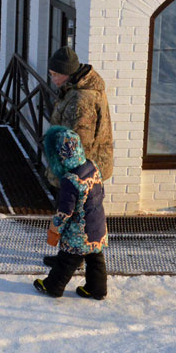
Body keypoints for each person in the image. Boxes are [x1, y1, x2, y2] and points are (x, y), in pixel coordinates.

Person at [33, 125, 108, 301]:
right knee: (95, 258)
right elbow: (101, 193)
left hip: (78, 233)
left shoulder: (70, 180)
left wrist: (55, 229)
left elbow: (65, 212)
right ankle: (97, 289)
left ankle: (53, 286)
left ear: (61, 155)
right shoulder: (92, 165)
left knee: (67, 260)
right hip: (97, 225)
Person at [47, 46, 114, 182]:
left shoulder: (81, 100)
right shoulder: (73, 89)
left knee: (74, 204)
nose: (52, 79)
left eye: (55, 74)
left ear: (67, 73)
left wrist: (69, 179)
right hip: (82, 172)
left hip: (80, 176)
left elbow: (80, 145)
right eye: (50, 74)